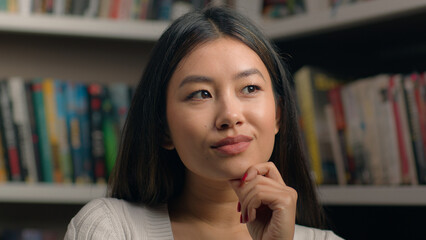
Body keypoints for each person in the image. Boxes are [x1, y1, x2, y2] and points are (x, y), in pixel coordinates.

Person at [65, 6, 343, 240]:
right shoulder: (110, 228)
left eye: (249, 88)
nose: (230, 116)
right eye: (201, 94)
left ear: (278, 115)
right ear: (163, 129)